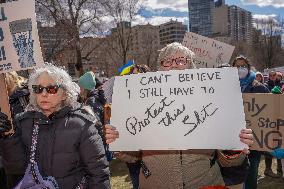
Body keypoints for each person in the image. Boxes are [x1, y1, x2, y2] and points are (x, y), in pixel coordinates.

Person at [105, 43, 253, 189]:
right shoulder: (142, 101)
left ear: (192, 66)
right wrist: (120, 142)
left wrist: (233, 147)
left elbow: (229, 162)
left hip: (206, 183)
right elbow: (133, 156)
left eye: (181, 60)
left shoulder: (212, 100)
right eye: (167, 61)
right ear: (160, 68)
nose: (174, 65)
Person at [0, 64, 110, 188]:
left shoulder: (82, 124)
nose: (44, 94)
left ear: (65, 93)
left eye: (51, 89)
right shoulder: (22, 122)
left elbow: (98, 174)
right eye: (38, 89)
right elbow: (17, 169)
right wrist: (7, 137)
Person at [231, 55, 270, 189]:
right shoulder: (228, 87)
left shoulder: (259, 87)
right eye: (237, 66)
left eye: (243, 66)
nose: (240, 69)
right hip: (233, 140)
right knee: (235, 177)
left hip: (254, 140)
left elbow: (269, 110)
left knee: (251, 174)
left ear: (248, 68)